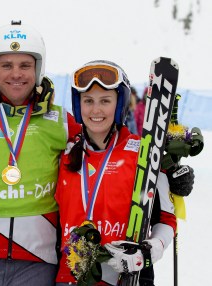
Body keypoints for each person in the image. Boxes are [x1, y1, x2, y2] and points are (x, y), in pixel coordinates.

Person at [0, 21, 81, 285]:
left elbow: (105, 152)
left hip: (38, 261)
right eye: (7, 65)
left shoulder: (60, 121)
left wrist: (163, 165)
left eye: (25, 65)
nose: (16, 74)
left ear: (38, 70)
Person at [55, 60, 182, 285]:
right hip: (69, 277)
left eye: (105, 101)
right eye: (88, 101)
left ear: (120, 104)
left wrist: (150, 250)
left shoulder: (143, 153)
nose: (96, 110)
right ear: (78, 105)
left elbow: (166, 219)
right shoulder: (64, 156)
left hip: (125, 276)